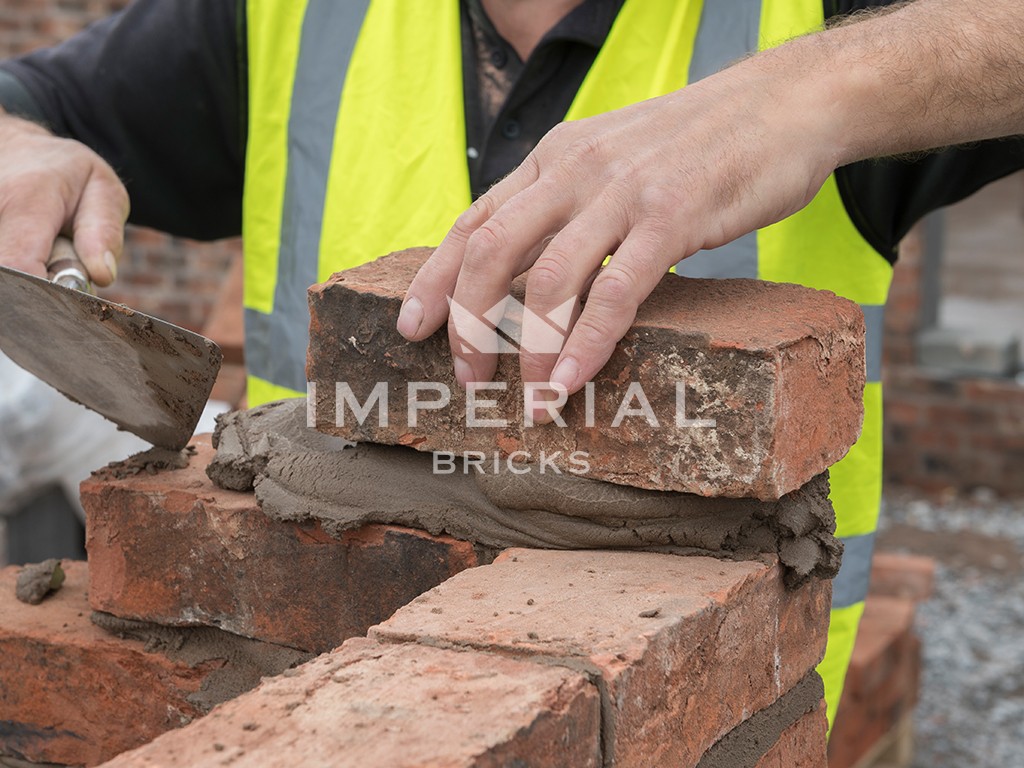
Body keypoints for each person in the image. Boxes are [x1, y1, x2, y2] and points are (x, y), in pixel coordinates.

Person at [0, 0, 1021, 731]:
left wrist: (811, 89)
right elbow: (23, 94)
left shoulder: (817, 18)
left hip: (726, 724)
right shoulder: (280, 19)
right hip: (293, 689)